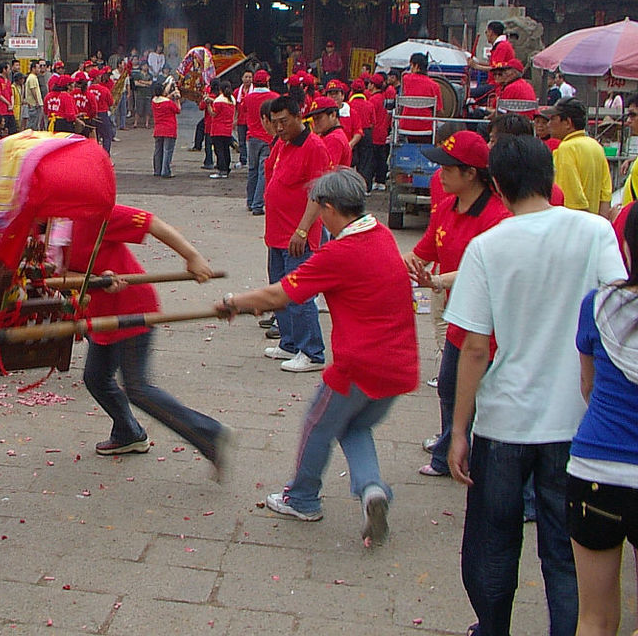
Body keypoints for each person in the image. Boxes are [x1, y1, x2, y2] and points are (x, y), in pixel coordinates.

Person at [445, 136, 626, 636]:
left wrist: (459, 429)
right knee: (566, 552)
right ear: (551, 178)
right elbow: (616, 309)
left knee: (493, 540)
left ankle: (493, 625)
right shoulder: (595, 232)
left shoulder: (488, 246)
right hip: (577, 422)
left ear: (497, 185)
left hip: (505, 422)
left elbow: (475, 347)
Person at [217, 168, 418, 545]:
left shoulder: (340, 252)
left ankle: (303, 497)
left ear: (328, 208)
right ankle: (372, 489)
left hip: (358, 366)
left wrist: (234, 302)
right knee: (354, 426)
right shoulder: (381, 235)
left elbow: (280, 297)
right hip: (399, 363)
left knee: (317, 424)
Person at [70, 203, 229, 477]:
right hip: (102, 314)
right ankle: (129, 432)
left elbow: (151, 223)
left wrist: (192, 256)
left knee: (137, 387)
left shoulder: (95, 213)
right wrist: (96, 280)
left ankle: (209, 433)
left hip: (133, 307)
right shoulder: (44, 235)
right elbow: (63, 275)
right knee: (96, 378)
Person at [404, 132, 508, 479]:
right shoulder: (447, 207)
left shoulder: (498, 217)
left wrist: (437, 281)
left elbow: (486, 271)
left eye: (448, 168)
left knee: (484, 395)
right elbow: (422, 253)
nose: (440, 174)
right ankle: (448, 453)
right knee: (449, 386)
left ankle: (479, 459)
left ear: (472, 174)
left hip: (492, 325)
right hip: (458, 318)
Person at [565, 204, 638, 636]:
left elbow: (588, 388)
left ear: (627, 246)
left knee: (594, 617)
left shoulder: (599, 305)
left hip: (595, 471)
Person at [261, 95, 332, 372]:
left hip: (298, 235)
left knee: (299, 294)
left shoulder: (314, 146)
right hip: (276, 233)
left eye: (284, 122)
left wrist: (302, 230)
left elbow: (319, 193)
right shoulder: (282, 143)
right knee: (279, 290)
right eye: (275, 123)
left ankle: (312, 352)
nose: (279, 128)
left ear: (298, 116)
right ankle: (289, 342)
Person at [543, 97, 611, 218]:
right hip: (594, 223)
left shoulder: (566, 148)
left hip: (573, 224)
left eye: (553, 119)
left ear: (568, 122)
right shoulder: (596, 146)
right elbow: (606, 193)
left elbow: (572, 198)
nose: (548, 124)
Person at [241, 70, 278, 215]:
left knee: (252, 170)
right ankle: (257, 204)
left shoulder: (248, 98)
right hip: (268, 138)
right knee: (264, 172)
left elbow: (243, 111)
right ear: (267, 81)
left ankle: (250, 201)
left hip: (252, 138)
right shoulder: (274, 97)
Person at [396, 54, 443, 138]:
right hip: (426, 129)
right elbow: (439, 111)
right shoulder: (435, 86)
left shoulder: (406, 79)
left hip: (405, 126)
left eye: (411, 65)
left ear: (416, 66)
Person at [308, 96, 352, 166]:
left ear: (333, 115)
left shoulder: (333, 139)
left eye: (319, 118)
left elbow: (326, 170)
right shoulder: (331, 135)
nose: (315, 122)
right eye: (314, 119)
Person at [151, 77, 181, 178]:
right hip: (169, 129)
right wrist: (177, 99)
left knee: (158, 150)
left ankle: (157, 170)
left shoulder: (154, 101)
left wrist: (170, 88)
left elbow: (164, 96)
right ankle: (166, 171)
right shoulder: (168, 103)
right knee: (167, 151)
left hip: (158, 129)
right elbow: (178, 110)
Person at [366, 74, 391, 191]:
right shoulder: (383, 97)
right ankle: (380, 180)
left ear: (373, 85)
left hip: (375, 132)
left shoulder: (373, 100)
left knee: (373, 159)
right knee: (381, 157)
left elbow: (370, 118)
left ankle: (376, 181)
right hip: (383, 131)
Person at [207, 79, 236, 179]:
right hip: (227, 129)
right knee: (226, 150)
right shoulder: (232, 99)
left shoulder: (219, 101)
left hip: (217, 129)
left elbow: (213, 113)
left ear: (220, 89)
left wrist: (208, 105)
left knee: (219, 151)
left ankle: (221, 170)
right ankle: (226, 169)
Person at [0, 62, 15, 136]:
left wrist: (12, 104)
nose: (10, 70)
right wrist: (8, 103)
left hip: (10, 110)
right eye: (8, 68)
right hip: (2, 109)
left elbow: (11, 94)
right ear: (4, 69)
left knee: (12, 130)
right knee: (3, 130)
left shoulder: (8, 81)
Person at [23, 62, 43, 131]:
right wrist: (37, 101)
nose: (39, 69)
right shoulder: (32, 78)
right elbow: (33, 90)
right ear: (33, 68)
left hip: (34, 104)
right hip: (34, 104)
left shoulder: (34, 77)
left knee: (35, 122)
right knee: (33, 123)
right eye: (38, 68)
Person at [133, 64, 153, 129]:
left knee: (148, 110)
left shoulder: (150, 75)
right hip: (140, 94)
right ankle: (135, 123)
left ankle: (147, 124)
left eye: (147, 66)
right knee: (139, 109)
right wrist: (145, 84)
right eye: (144, 66)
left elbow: (150, 83)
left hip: (148, 94)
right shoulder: (138, 75)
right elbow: (136, 83)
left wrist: (142, 82)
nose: (146, 67)